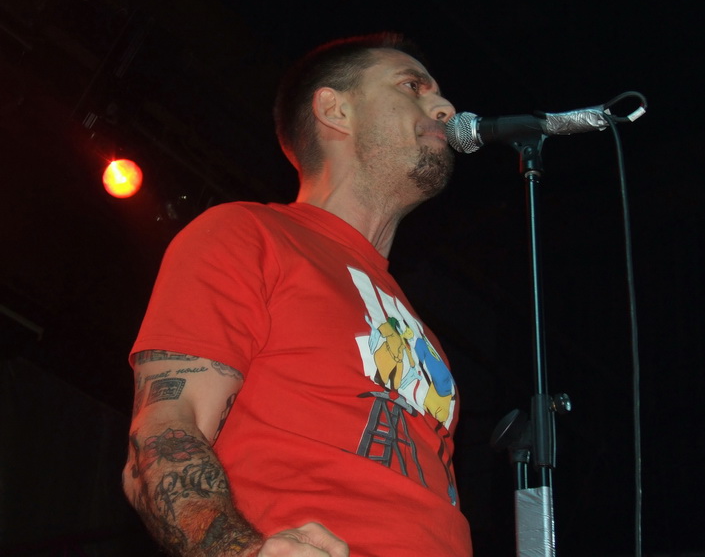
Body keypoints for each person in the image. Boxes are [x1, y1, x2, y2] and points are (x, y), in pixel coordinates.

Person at [122, 32, 473, 557]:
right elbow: (163, 435)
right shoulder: (248, 233)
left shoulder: (422, 330)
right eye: (412, 87)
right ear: (335, 110)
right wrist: (242, 552)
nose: (444, 107)